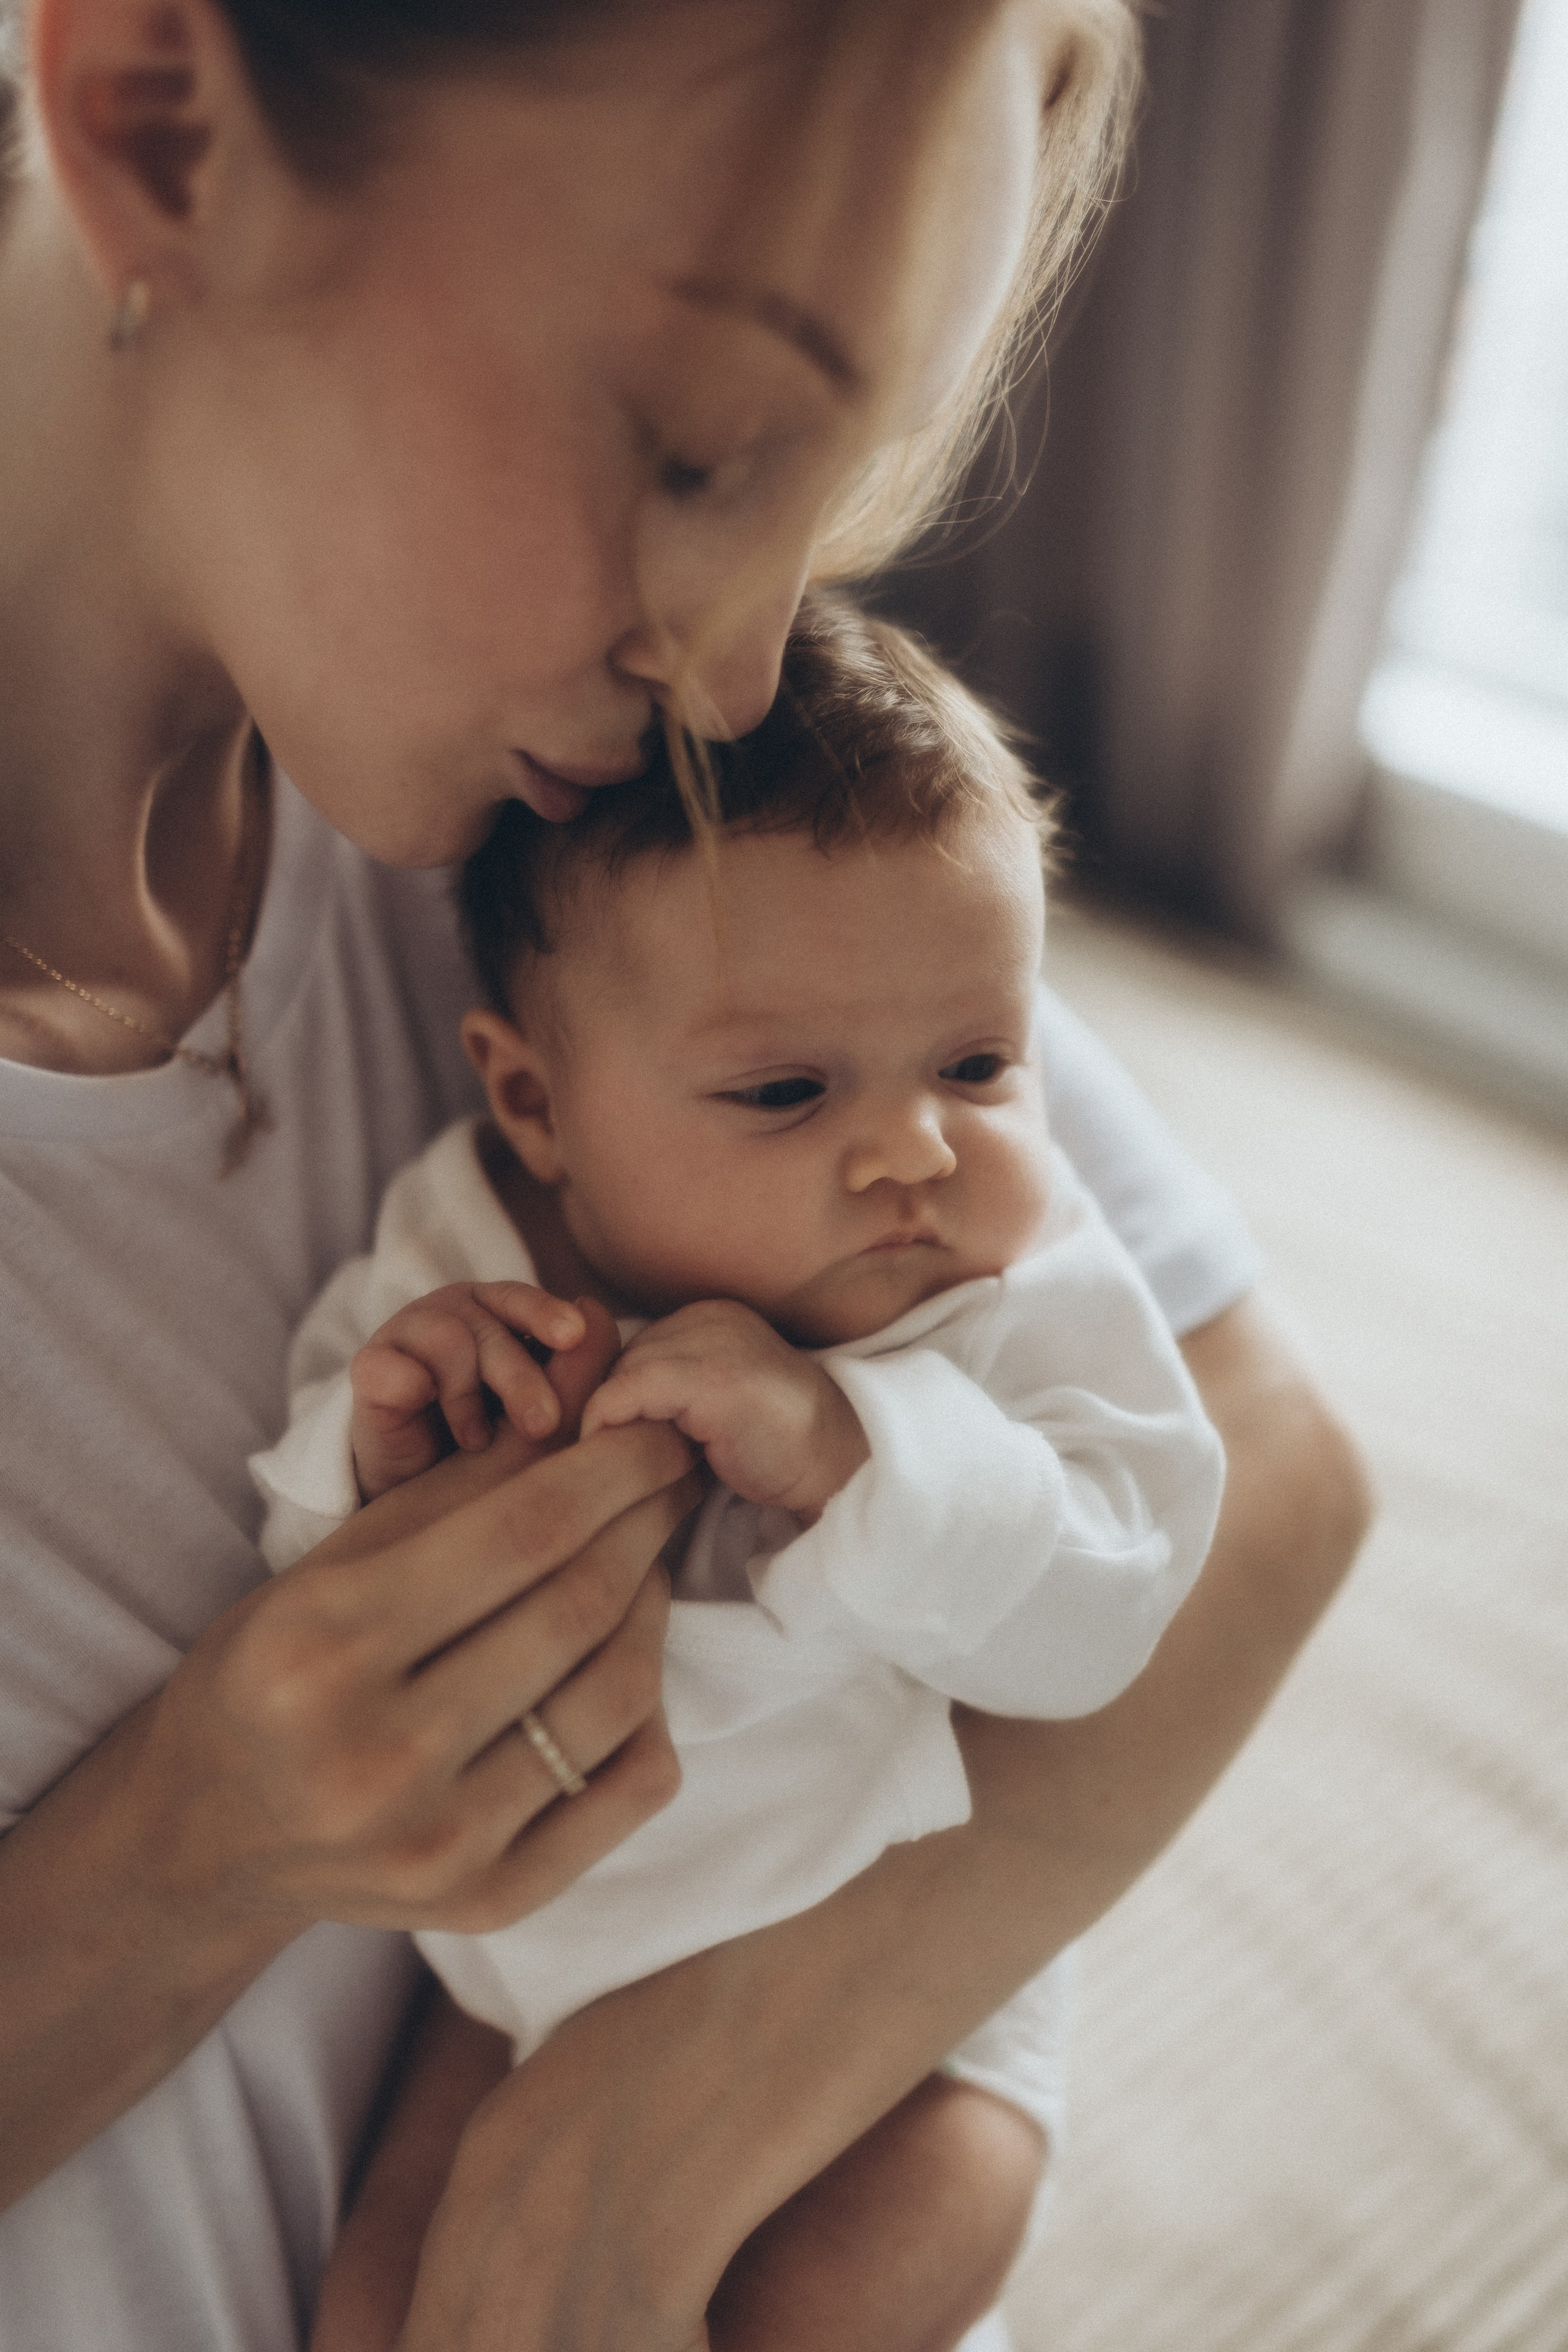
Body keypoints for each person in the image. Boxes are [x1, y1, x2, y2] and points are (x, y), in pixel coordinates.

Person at [0, 4, 1372, 2350]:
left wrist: (634, 2132)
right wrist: (178, 1856)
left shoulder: (543, 791)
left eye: (821, 484)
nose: (739, 680)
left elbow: (1260, 1464)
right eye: (707, 450)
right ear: (154, 119)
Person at [251, 600, 1227, 2351]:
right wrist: (375, 1456)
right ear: (538, 1104)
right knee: (376, 2304)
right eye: (787, 1089)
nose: (917, 1149)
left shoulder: (1012, 1292)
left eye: (983, 1062)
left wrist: (862, 1454)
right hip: (525, 1971)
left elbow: (1118, 1591)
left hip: (896, 1976)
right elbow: (317, 1576)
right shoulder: (469, 1240)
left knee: (831, 2305)